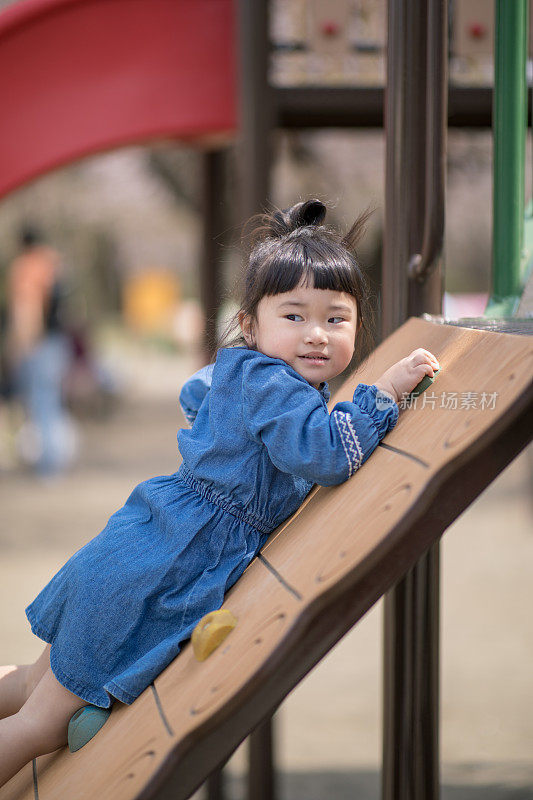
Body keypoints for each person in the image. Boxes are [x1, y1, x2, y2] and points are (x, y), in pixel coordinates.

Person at [0, 200, 439, 784]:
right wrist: (384, 393)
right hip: (160, 567)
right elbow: (326, 455)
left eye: (336, 318)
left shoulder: (247, 372)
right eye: (294, 316)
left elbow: (208, 403)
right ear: (252, 325)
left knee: (39, 681)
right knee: (43, 725)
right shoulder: (274, 387)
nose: (316, 334)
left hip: (148, 539)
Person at [5, 225, 75, 476]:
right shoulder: (54, 265)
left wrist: (20, 347)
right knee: (52, 401)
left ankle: (47, 464)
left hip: (39, 344)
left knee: (40, 402)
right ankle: (56, 458)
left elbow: (28, 309)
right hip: (58, 343)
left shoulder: (27, 267)